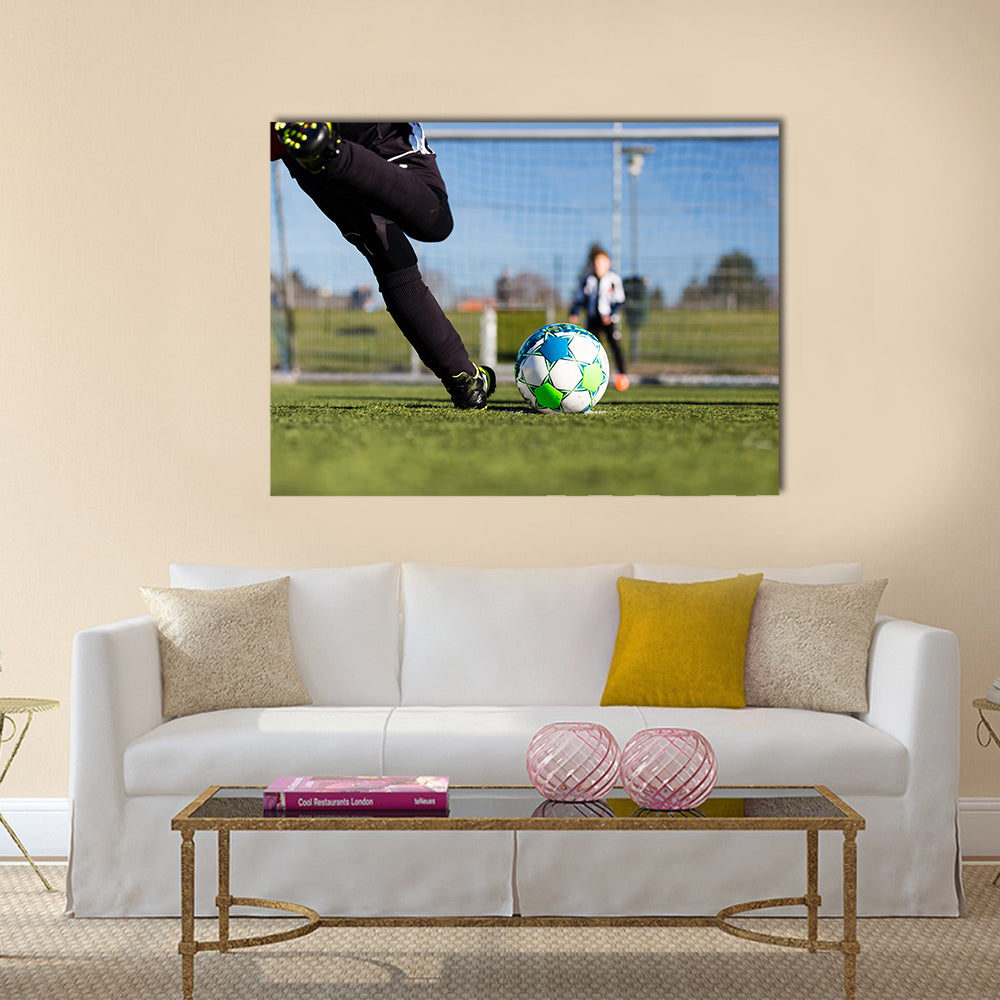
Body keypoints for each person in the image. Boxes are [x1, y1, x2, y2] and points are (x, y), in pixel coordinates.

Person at [271, 122, 496, 409]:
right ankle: (332, 150)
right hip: (372, 126)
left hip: (302, 141)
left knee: (391, 258)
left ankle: (463, 379)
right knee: (434, 221)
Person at [568, 244, 629, 391]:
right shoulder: (587, 280)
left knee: (615, 346)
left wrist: (611, 314)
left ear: (608, 263)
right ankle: (592, 377)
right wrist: (574, 312)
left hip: (609, 320)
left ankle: (622, 376)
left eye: (601, 262)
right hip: (592, 319)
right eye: (595, 263)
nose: (598, 266)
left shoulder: (613, 279)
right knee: (591, 349)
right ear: (591, 264)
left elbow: (620, 300)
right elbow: (580, 299)